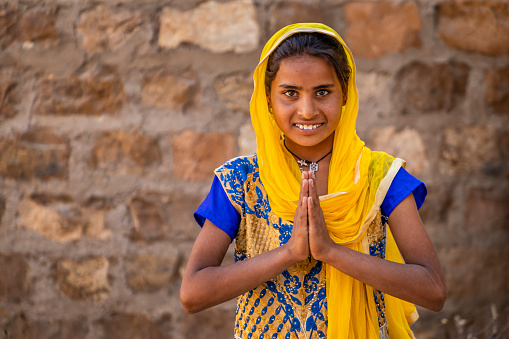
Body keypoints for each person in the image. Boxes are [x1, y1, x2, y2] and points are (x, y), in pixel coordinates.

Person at [180, 23, 447, 339]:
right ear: (267, 98)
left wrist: (332, 252)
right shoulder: (240, 182)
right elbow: (193, 294)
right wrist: (289, 252)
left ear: (345, 93)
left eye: (323, 92)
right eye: (290, 93)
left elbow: (433, 289)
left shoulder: (380, 178)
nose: (307, 111)